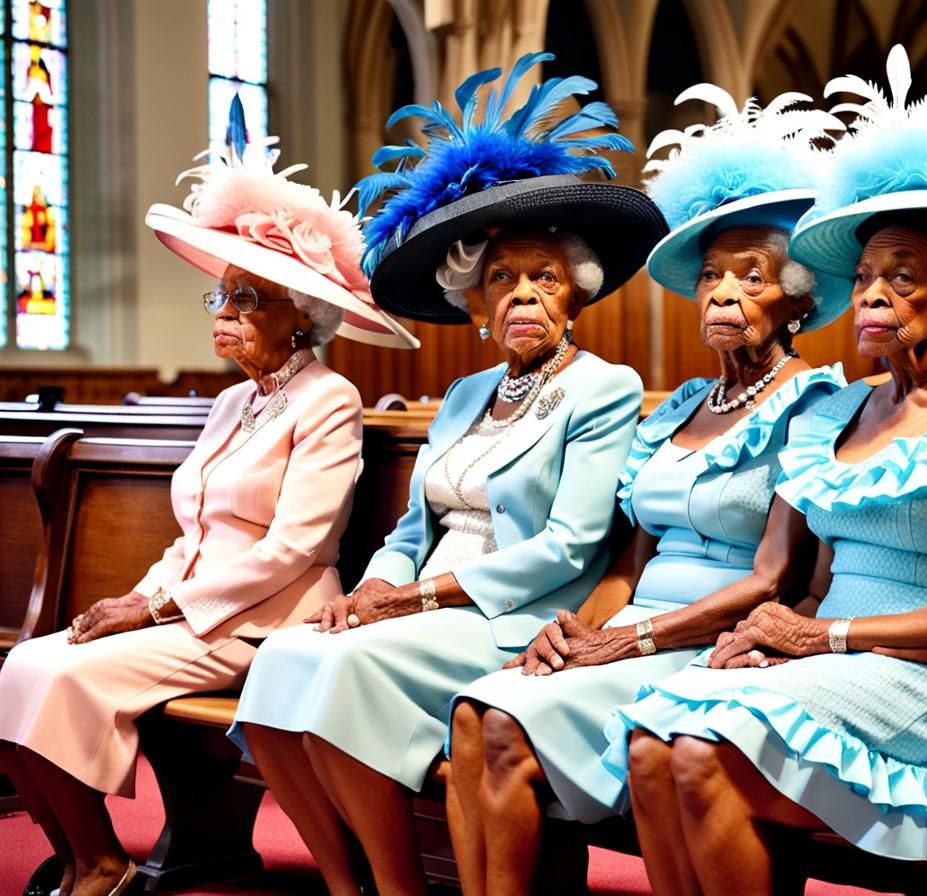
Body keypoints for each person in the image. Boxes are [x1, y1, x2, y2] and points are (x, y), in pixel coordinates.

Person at [609, 46, 927, 895]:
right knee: (654, 741)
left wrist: (818, 640)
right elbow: (815, 587)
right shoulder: (835, 415)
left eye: (902, 277)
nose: (871, 295)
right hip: (840, 664)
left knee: (703, 752)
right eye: (867, 274)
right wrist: (775, 639)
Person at [226, 53, 668, 896]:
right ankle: (346, 884)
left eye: (544, 277)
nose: (524, 296)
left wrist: (416, 598)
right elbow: (409, 531)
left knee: (342, 672)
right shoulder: (465, 393)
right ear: (477, 301)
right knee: (286, 660)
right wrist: (373, 587)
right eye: (503, 279)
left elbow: (571, 547)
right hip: (415, 605)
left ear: (575, 293)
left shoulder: (602, 389)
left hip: (515, 616)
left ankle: (398, 887)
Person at [0, 99, 416, 896]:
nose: (223, 314)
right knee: (23, 664)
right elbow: (193, 534)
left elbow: (291, 549)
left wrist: (155, 612)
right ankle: (87, 858)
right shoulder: (232, 402)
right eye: (220, 298)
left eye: (245, 300)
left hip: (266, 620)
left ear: (304, 319)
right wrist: (142, 593)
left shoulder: (329, 399)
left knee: (64, 676)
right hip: (192, 607)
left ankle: (101, 865)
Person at [445, 85, 850, 895]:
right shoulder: (679, 408)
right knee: (475, 714)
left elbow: (774, 579)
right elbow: (631, 557)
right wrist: (571, 630)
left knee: (510, 728)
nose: (723, 294)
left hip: (716, 640)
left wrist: (628, 641)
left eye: (753, 277)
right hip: (631, 626)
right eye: (709, 277)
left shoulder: (818, 403)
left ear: (798, 300)